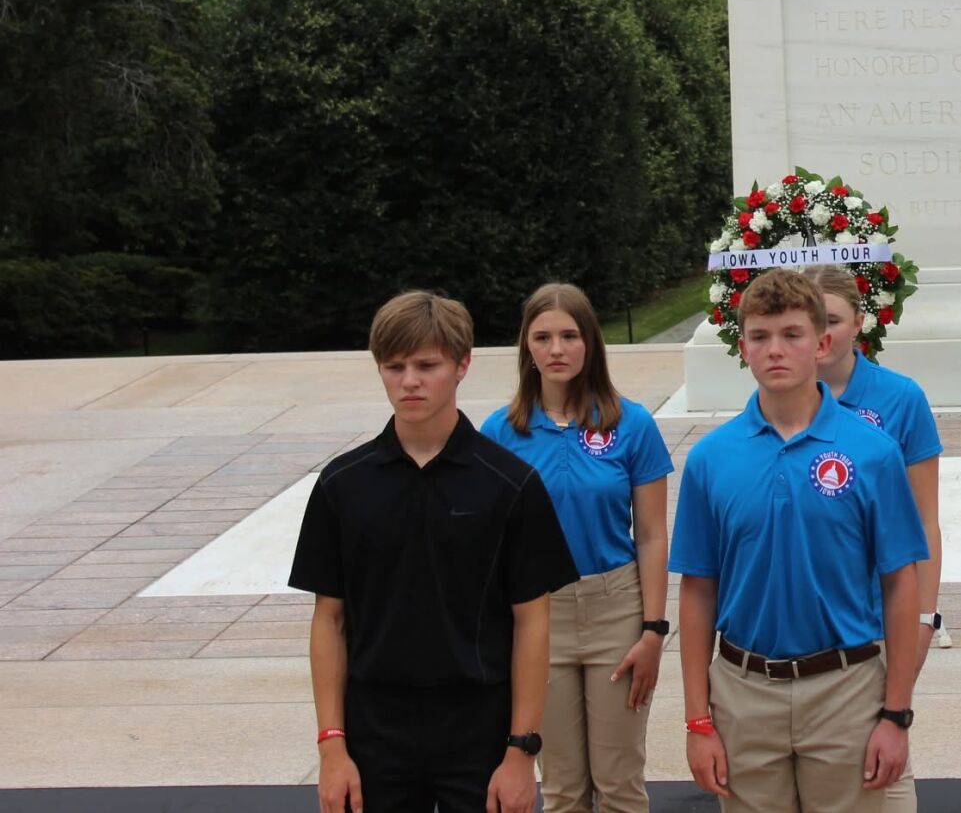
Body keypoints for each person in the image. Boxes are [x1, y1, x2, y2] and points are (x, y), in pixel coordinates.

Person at [289, 290, 578, 813]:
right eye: (394, 367)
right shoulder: (341, 484)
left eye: (427, 365)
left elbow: (532, 624)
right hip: (374, 729)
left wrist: (522, 750)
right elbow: (328, 620)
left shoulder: (510, 485)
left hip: (480, 730)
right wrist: (332, 746)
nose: (409, 381)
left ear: (462, 365)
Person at [670, 268, 927, 813]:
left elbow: (901, 585)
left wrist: (895, 714)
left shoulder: (873, 452)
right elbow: (697, 591)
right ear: (742, 347)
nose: (776, 350)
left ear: (823, 342)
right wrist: (698, 719)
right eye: (760, 337)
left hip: (846, 687)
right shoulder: (710, 459)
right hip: (743, 690)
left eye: (792, 334)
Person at [481, 283, 674, 813]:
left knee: (619, 782)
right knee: (563, 787)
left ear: (591, 342)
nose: (556, 349)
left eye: (569, 335)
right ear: (526, 346)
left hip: (617, 607)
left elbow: (653, 535)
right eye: (542, 337)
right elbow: (490, 544)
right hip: (541, 614)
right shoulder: (500, 432)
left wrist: (654, 629)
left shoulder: (630, 424)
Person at [806, 264, 944, 813]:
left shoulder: (899, 399)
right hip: (813, 609)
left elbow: (925, 521)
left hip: (878, 610)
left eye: (833, 319)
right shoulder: (783, 395)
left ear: (859, 323)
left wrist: (925, 618)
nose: (822, 333)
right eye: (811, 319)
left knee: (881, 764)